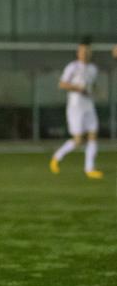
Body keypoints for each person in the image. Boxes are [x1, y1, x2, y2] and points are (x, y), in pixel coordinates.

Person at [49, 37, 103, 179]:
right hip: (75, 107)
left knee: (93, 135)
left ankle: (89, 169)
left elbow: (92, 85)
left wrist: (96, 92)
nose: (84, 54)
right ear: (78, 52)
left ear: (90, 53)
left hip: (89, 105)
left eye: (87, 51)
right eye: (82, 51)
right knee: (78, 140)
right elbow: (62, 84)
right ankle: (57, 156)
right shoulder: (72, 67)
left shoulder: (93, 69)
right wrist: (78, 88)